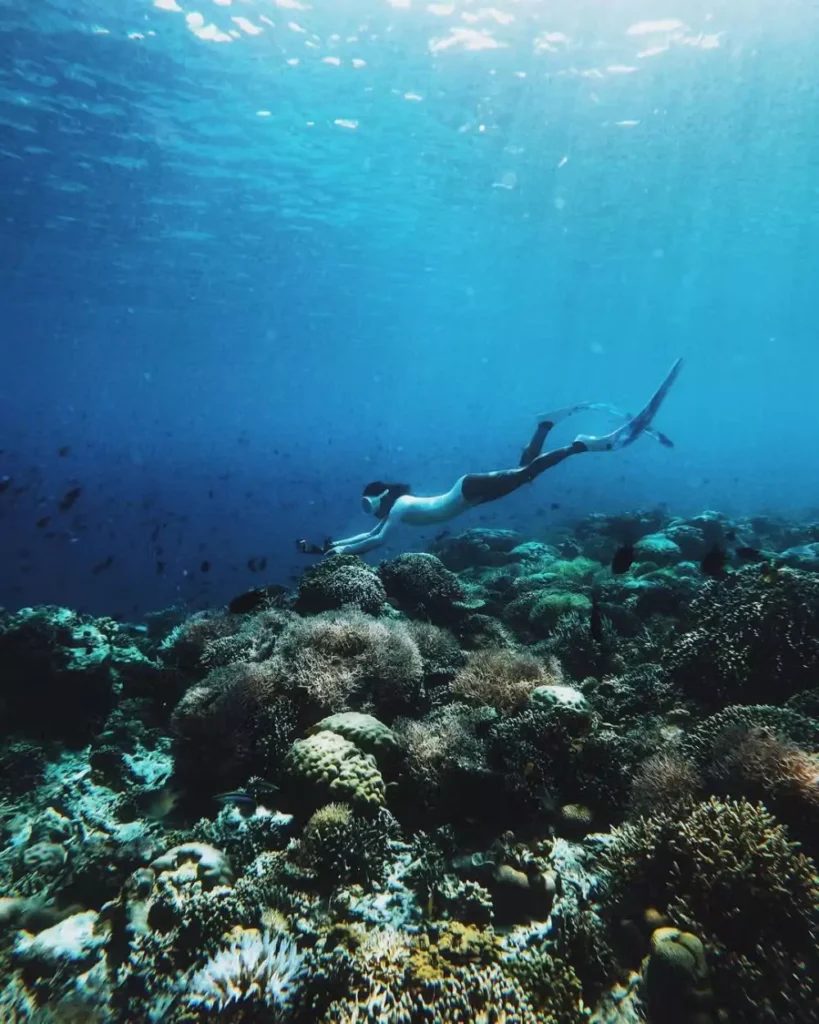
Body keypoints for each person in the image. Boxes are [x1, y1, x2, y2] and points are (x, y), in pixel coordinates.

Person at [297, 358, 683, 558]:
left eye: (369, 503)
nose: (370, 510)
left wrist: (335, 553)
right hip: (471, 496)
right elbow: (368, 535)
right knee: (524, 473)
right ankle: (546, 426)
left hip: (468, 490)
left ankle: (583, 445)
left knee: (528, 472)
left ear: (381, 496)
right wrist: (329, 548)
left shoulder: (398, 506)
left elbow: (377, 540)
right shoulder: (394, 508)